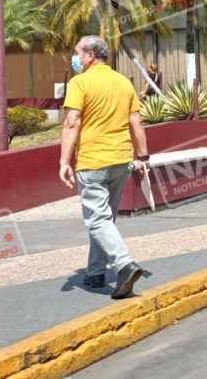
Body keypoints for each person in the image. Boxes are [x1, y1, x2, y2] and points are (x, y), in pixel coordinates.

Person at [59, 36, 149, 299]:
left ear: (89, 55)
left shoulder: (79, 82)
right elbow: (137, 122)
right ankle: (96, 271)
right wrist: (143, 157)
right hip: (122, 160)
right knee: (104, 219)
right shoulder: (123, 82)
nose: (74, 57)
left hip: (93, 162)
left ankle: (124, 264)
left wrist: (64, 161)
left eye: (76, 52)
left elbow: (72, 122)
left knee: (96, 219)